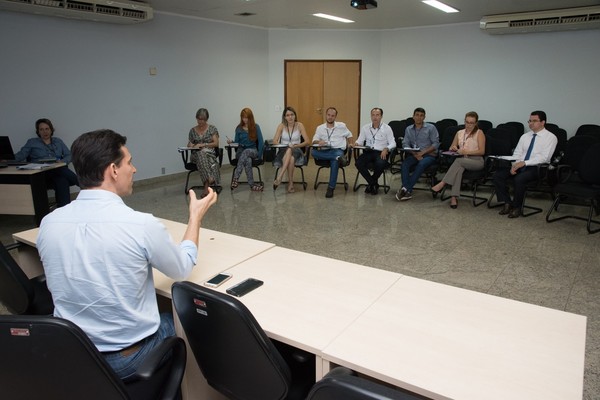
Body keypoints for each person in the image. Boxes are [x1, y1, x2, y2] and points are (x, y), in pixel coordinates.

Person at [37, 129, 217, 380]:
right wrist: (195, 217)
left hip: (72, 353)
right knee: (195, 317)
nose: (134, 169)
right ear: (113, 170)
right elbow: (182, 269)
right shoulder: (140, 225)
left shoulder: (49, 223)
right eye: (129, 162)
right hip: (127, 360)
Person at [492, 110, 557, 218]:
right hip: (520, 164)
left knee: (520, 179)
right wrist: (515, 164)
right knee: (498, 175)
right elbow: (517, 153)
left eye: (534, 121)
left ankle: (517, 207)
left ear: (543, 122)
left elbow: (544, 158)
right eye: (529, 121)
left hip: (537, 168)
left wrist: (524, 163)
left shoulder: (550, 137)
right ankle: (507, 202)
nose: (531, 123)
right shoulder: (525, 136)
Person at [14, 118, 79, 207]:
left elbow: (69, 155)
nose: (45, 132)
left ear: (51, 130)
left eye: (47, 129)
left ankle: (63, 209)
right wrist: (7, 158)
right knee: (60, 170)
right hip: (42, 174)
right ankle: (83, 185)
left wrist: (62, 161)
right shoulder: (32, 142)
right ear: (38, 131)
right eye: (41, 129)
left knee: (62, 180)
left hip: (58, 172)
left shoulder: (58, 141)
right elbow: (21, 155)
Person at [431, 111, 486, 209]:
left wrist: (466, 152)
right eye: (467, 122)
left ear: (476, 123)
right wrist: (454, 148)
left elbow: (482, 151)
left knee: (458, 161)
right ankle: (453, 198)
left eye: (471, 123)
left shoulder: (479, 133)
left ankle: (442, 183)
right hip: (463, 161)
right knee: (459, 169)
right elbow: (452, 145)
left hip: (477, 161)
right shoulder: (459, 133)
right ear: (464, 121)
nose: (468, 125)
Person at [396, 107, 440, 201]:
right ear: (413, 116)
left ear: (424, 117)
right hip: (415, 154)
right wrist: (415, 153)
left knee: (422, 164)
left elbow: (436, 144)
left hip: (429, 155)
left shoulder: (430, 128)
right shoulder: (408, 129)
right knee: (405, 164)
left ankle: (405, 189)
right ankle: (406, 190)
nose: (419, 117)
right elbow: (405, 143)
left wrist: (422, 153)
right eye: (417, 115)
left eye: (421, 115)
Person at [312, 107, 353, 198]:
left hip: (338, 149)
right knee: (313, 152)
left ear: (335, 117)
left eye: (332, 116)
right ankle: (338, 157)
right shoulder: (320, 128)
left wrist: (350, 144)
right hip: (325, 150)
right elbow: (314, 140)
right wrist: (319, 142)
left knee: (335, 162)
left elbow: (349, 135)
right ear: (326, 115)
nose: (330, 117)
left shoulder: (341, 126)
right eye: (328, 115)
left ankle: (330, 188)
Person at [353, 108, 396, 195]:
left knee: (380, 163)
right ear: (371, 116)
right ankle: (373, 183)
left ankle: (371, 184)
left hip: (381, 152)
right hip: (368, 152)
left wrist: (386, 148)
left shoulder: (387, 128)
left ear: (381, 116)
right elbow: (360, 141)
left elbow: (393, 143)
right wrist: (356, 143)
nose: (375, 117)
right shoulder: (365, 128)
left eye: (377, 115)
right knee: (358, 163)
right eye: (373, 115)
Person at [272, 106, 309, 193]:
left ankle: (280, 176)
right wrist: (284, 145)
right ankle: (290, 184)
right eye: (287, 115)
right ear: (284, 117)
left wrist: (296, 146)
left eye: (292, 114)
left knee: (290, 150)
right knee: (291, 158)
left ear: (295, 115)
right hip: (283, 150)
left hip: (296, 150)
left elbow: (307, 141)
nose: (290, 117)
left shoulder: (300, 125)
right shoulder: (281, 126)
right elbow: (274, 141)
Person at [186, 108, 220, 198]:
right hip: (195, 156)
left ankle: (206, 187)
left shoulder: (212, 128)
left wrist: (204, 145)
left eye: (202, 119)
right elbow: (189, 144)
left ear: (206, 119)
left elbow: (216, 143)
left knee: (203, 154)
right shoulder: (192, 131)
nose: (200, 121)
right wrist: (193, 145)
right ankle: (209, 179)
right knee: (201, 154)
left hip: (209, 153)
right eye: (198, 119)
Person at [229, 107, 264, 191]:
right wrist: (231, 142)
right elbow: (237, 143)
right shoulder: (239, 128)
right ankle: (252, 185)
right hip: (241, 152)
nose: (245, 119)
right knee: (248, 160)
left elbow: (261, 142)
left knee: (247, 151)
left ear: (250, 117)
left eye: (247, 117)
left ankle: (236, 178)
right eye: (243, 117)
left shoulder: (256, 127)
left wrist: (259, 156)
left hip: (253, 150)